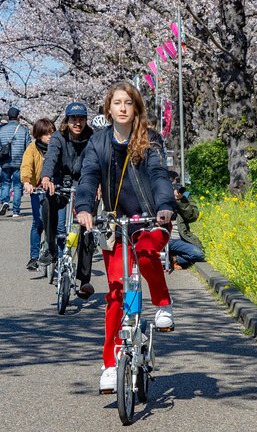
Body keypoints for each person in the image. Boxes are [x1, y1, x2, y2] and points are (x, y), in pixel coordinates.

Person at [75, 81, 175, 393]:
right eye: (116, 102)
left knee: (146, 255)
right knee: (116, 292)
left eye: (127, 103)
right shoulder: (98, 142)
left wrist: (164, 206)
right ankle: (109, 363)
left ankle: (162, 303)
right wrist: (83, 207)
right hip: (115, 223)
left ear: (136, 109)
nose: (121, 108)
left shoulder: (150, 140)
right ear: (108, 108)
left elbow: (159, 175)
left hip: (150, 219)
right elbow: (89, 175)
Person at [39, 102, 96, 298]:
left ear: (86, 120)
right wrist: (46, 177)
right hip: (59, 182)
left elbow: (98, 163)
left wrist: (98, 186)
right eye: (74, 119)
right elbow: (51, 157)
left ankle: (84, 279)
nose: (77, 123)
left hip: (84, 184)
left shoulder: (93, 138)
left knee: (87, 226)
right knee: (47, 203)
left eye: (81, 119)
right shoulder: (58, 137)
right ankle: (51, 248)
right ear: (67, 120)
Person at [20, 118, 55, 271]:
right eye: (46, 134)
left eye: (52, 133)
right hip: (38, 189)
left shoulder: (56, 147)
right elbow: (27, 165)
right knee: (38, 222)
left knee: (56, 223)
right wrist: (27, 182)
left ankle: (55, 253)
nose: (50, 137)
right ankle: (34, 257)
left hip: (55, 189)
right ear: (39, 135)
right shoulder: (32, 148)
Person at [0, 107, 31, 217]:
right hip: (20, 162)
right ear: (18, 117)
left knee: (5, 183)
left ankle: (5, 202)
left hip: (5, 161)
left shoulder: (2, 130)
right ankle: (16, 211)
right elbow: (29, 147)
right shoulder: (23, 129)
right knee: (17, 186)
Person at [168, 171, 205, 269]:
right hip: (163, 237)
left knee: (199, 254)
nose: (176, 187)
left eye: (177, 183)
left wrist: (181, 201)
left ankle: (174, 259)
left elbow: (193, 216)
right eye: (173, 184)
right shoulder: (158, 194)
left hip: (180, 238)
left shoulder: (185, 195)